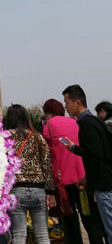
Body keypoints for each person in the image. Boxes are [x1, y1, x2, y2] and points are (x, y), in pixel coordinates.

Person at [42, 98, 105, 244]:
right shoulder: (75, 121)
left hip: (64, 179)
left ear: (47, 112)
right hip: (82, 177)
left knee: (69, 219)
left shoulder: (48, 126)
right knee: (89, 215)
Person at [63, 84, 112, 243]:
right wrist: (86, 177)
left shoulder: (87, 124)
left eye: (67, 102)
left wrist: (74, 149)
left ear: (77, 102)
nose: (66, 107)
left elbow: (95, 153)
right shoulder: (95, 121)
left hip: (104, 185)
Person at [3, 104, 56, 244]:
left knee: (19, 235)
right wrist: (50, 191)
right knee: (43, 235)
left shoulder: (4, 138)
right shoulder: (37, 137)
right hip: (38, 189)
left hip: (16, 189)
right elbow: (46, 164)